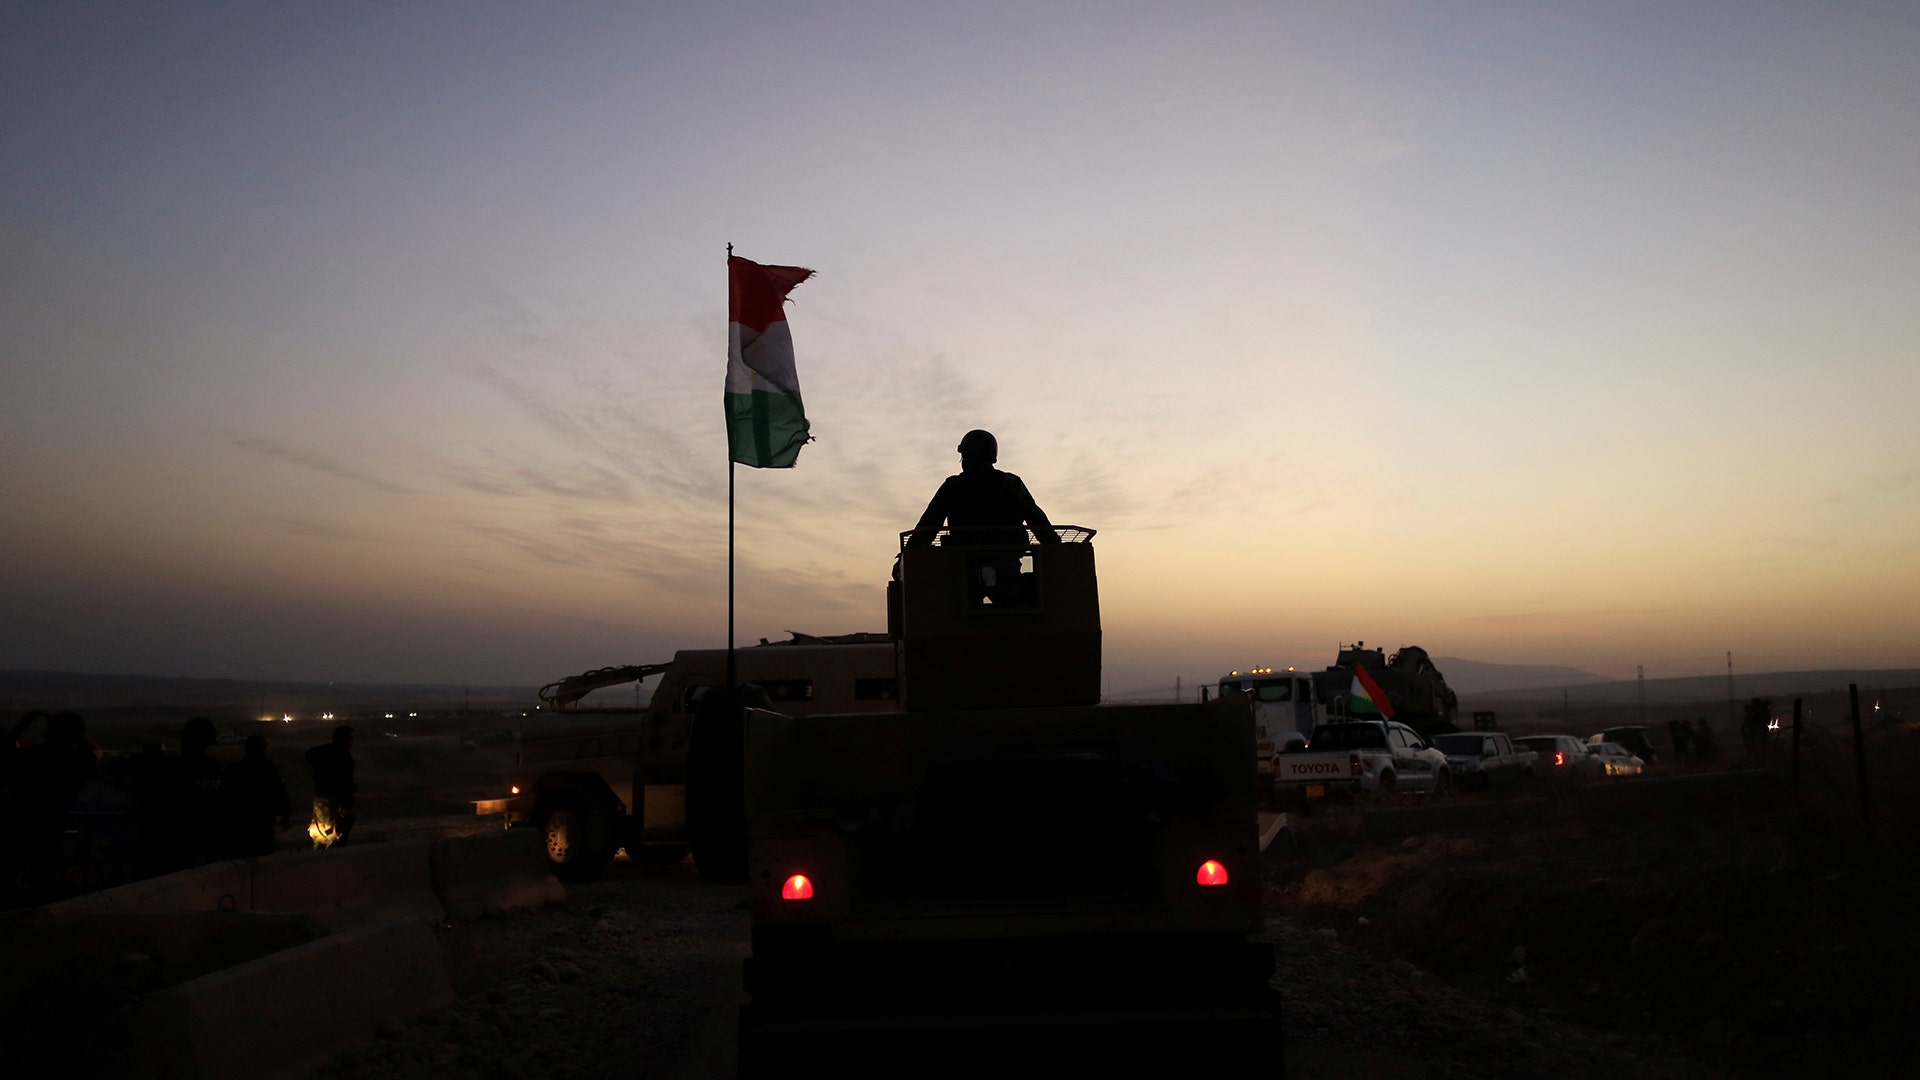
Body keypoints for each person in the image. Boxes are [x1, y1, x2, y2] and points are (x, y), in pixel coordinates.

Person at [907, 430, 1061, 605]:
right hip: (1003, 567)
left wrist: (908, 554)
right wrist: (1058, 548)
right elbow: (1037, 520)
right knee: (1013, 603)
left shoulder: (953, 487)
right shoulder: (1010, 484)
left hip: (965, 571)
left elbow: (928, 526)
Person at [219, 736, 290, 858]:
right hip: (261, 822)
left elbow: (223, 795)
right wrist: (285, 814)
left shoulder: (234, 769)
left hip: (238, 823)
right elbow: (279, 792)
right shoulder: (269, 769)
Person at [305, 725, 357, 848]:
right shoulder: (343, 756)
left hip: (321, 801)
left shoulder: (323, 752)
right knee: (334, 838)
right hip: (334, 803)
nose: (352, 742)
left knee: (322, 835)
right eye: (350, 738)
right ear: (343, 739)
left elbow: (310, 755)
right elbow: (345, 783)